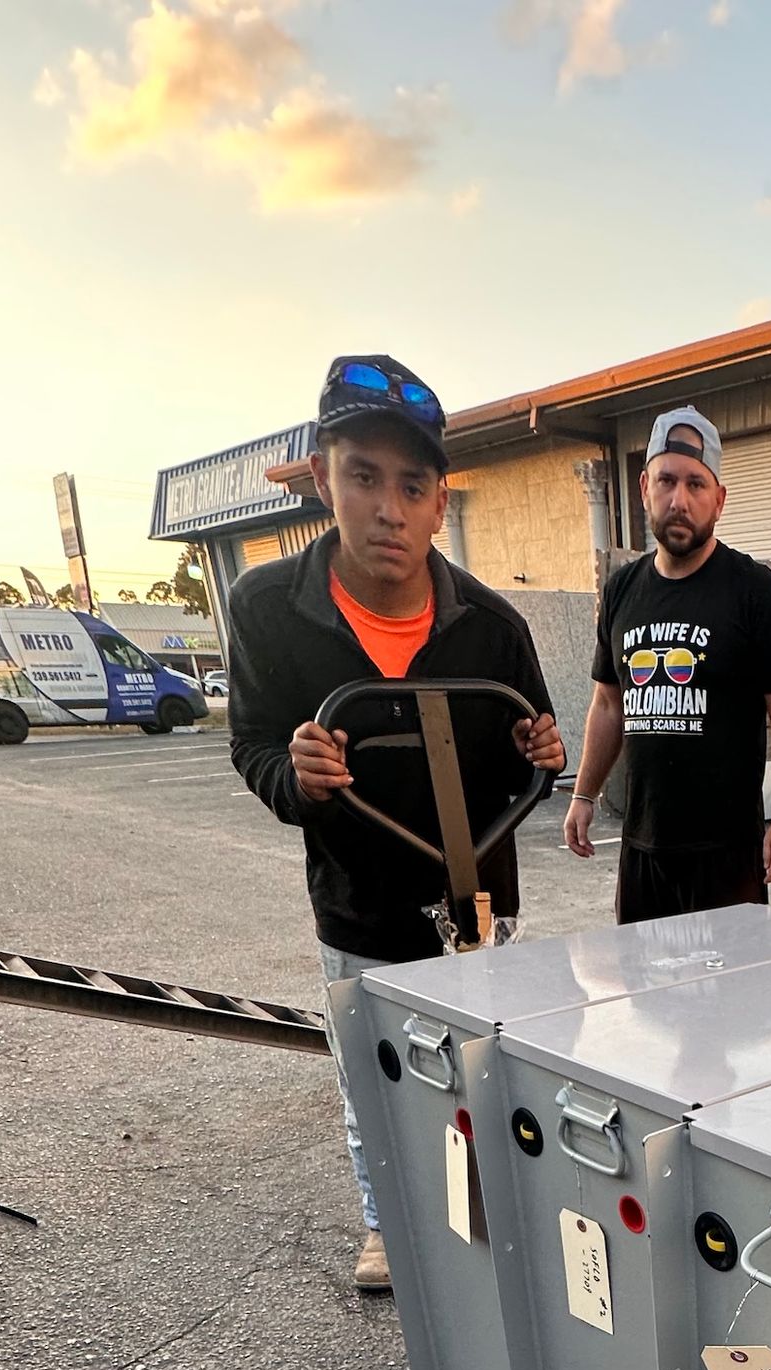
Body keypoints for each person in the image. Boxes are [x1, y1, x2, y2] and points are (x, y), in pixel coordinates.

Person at [228, 353, 565, 1294]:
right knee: (371, 1079)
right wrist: (295, 777)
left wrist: (543, 753)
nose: (388, 508)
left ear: (439, 500)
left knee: (482, 1070)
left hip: (480, 903)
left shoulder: (490, 623)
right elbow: (253, 742)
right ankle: (386, 1222)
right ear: (322, 480)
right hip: (361, 901)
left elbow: (524, 736)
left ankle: (484, 1206)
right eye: (364, 478)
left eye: (411, 485)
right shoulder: (268, 610)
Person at [565, 405, 771, 922]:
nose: (680, 500)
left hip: (725, 857)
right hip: (643, 852)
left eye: (697, 485)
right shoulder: (621, 591)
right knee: (645, 995)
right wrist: (584, 793)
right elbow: (609, 704)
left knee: (734, 1000)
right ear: (644, 488)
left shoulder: (752, 590)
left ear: (719, 500)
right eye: (667, 481)